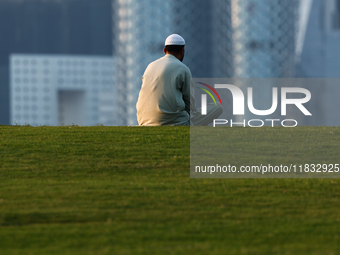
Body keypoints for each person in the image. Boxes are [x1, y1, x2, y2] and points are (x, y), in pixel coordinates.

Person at [136, 34, 222, 126]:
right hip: (175, 122)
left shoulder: (150, 66)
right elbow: (190, 106)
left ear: (164, 51)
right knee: (218, 107)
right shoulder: (183, 69)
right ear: (182, 51)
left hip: (144, 121)